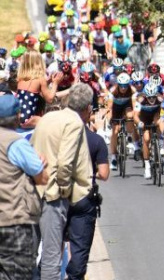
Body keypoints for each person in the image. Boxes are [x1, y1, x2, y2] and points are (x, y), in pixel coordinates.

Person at [30, 84, 93, 280]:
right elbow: (65, 163)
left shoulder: (48, 117)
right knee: (51, 256)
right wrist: (64, 189)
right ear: (87, 108)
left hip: (33, 188)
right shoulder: (73, 124)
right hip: (53, 194)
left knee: (29, 253)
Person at [0, 94, 47, 280]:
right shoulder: (16, 142)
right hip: (14, 221)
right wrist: (42, 163)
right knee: (20, 273)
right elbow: (41, 177)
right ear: (17, 116)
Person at [65, 84, 109, 279]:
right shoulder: (95, 140)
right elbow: (104, 173)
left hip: (60, 194)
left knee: (52, 247)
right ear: (88, 110)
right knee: (80, 249)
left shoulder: (61, 132)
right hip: (83, 197)